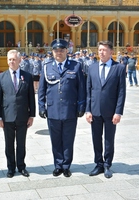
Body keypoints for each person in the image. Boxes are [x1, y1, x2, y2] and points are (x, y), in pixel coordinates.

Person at [38, 38, 86, 178]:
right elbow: (42, 89)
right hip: (52, 110)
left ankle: (66, 166)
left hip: (70, 110)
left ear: (67, 51)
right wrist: (41, 106)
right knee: (55, 139)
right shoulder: (47, 67)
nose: (59, 53)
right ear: (52, 52)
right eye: (56, 50)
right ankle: (58, 165)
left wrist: (81, 105)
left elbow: (81, 88)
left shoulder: (75, 66)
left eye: (62, 50)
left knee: (68, 139)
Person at [85, 40, 126, 179]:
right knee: (96, 138)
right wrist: (87, 110)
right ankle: (99, 164)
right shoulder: (92, 68)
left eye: (104, 50)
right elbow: (88, 91)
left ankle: (108, 164)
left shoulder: (119, 68)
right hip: (95, 111)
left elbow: (121, 92)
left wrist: (118, 112)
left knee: (109, 139)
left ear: (111, 52)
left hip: (111, 112)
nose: (101, 52)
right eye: (99, 50)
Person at [0, 49, 35, 178]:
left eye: (14, 59)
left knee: (21, 143)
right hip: (7, 116)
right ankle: (11, 168)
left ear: (19, 60)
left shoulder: (27, 76)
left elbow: (31, 98)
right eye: (10, 59)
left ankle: (21, 166)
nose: (12, 62)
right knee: (9, 144)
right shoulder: (1, 77)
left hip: (23, 116)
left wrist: (32, 115)